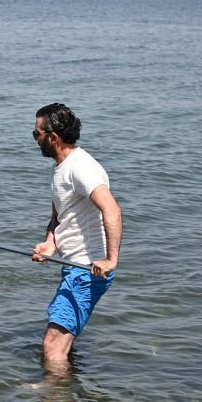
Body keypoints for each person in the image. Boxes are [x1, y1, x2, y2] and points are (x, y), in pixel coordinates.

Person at [30, 103, 122, 372]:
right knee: (62, 342)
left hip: (88, 269)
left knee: (52, 345)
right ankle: (69, 395)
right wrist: (49, 245)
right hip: (74, 266)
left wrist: (110, 259)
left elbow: (112, 210)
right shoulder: (60, 168)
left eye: (37, 134)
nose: (35, 140)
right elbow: (59, 218)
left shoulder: (81, 168)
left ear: (53, 138)